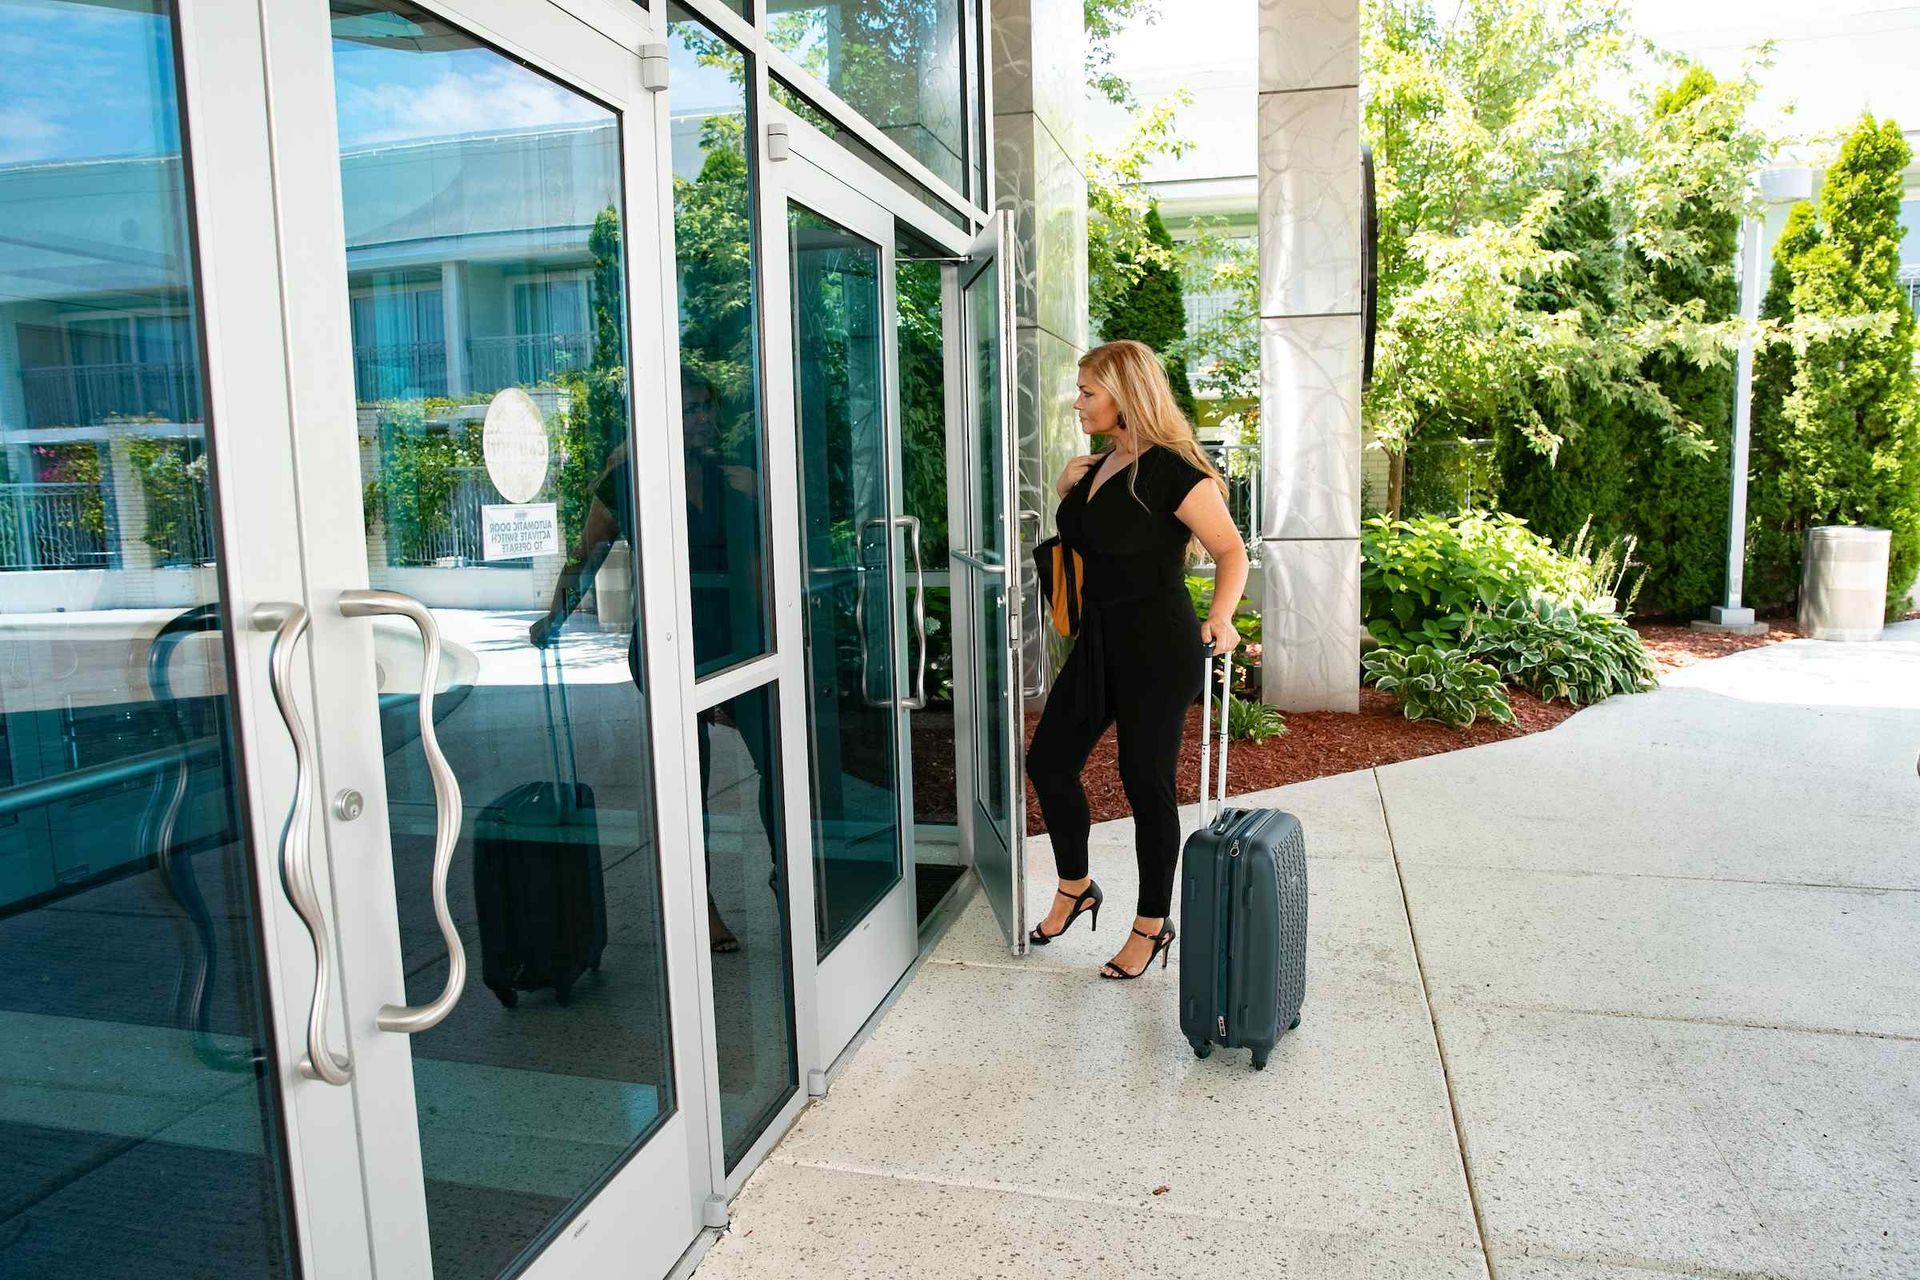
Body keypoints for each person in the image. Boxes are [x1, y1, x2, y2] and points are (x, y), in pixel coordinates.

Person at [1023, 339, 1250, 979]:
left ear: (1125, 395)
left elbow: (1232, 553)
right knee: (1049, 761)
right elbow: (1087, 542)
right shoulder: (1094, 466)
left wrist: (1222, 617)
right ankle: (1076, 886)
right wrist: (1071, 484)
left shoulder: (1176, 472)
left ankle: (1152, 924)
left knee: (1143, 782)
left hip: (1157, 645)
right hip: (1096, 638)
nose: (1079, 402)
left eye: (1088, 392)